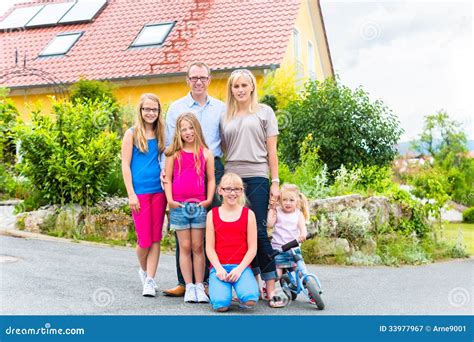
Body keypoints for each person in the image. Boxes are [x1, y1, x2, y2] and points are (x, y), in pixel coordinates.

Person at [220, 69, 284, 307]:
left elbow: (272, 151)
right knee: (237, 233)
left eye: (244, 85)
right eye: (236, 86)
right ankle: (252, 282)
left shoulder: (265, 112)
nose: (240, 90)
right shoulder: (225, 115)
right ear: (231, 89)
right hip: (232, 178)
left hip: (257, 175)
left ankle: (272, 286)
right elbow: (224, 148)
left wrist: (275, 182)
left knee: (257, 231)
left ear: (252, 87)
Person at [163, 62, 226, 297]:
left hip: (212, 167)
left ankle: (208, 281)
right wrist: (164, 173)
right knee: (185, 230)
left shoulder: (220, 107)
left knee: (210, 226)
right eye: (194, 77)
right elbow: (170, 142)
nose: (198, 81)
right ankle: (185, 282)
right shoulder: (176, 107)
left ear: (209, 79)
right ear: (187, 80)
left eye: (203, 77)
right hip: (180, 170)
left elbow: (226, 139)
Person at [164, 113, 215, 303]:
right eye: (183, 129)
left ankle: (200, 285)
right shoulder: (173, 154)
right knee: (184, 246)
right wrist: (170, 200)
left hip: (199, 205)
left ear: (197, 128)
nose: (187, 132)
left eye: (190, 127)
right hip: (179, 205)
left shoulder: (205, 153)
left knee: (198, 246)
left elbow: (211, 179)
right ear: (178, 132)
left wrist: (209, 199)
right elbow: (168, 179)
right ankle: (189, 286)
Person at [121, 93, 167, 297]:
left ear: (159, 112)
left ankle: (150, 279)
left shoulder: (162, 134)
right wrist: (131, 193)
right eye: (147, 109)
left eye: (154, 110)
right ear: (140, 111)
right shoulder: (131, 134)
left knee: (156, 238)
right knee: (144, 241)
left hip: (159, 192)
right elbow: (125, 164)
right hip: (139, 193)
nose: (150, 113)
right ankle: (143, 270)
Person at [205, 172, 259, 312]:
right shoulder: (212, 214)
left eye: (237, 189)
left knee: (251, 300)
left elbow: (252, 248)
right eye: (228, 189)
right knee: (221, 306)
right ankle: (216, 290)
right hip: (219, 268)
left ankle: (241, 291)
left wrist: (239, 269)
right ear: (220, 190)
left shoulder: (249, 214)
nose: (232, 193)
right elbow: (209, 248)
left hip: (241, 267)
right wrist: (218, 268)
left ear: (242, 191)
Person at [267, 183, 309, 279]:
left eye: (291, 200)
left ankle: (310, 290)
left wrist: (303, 234)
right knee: (277, 275)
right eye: (284, 200)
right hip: (279, 249)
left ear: (297, 201)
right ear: (280, 200)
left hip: (293, 249)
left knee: (302, 272)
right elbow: (269, 224)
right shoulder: (277, 211)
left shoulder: (298, 214)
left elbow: (303, 228)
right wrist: (272, 209)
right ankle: (267, 287)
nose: (288, 203)